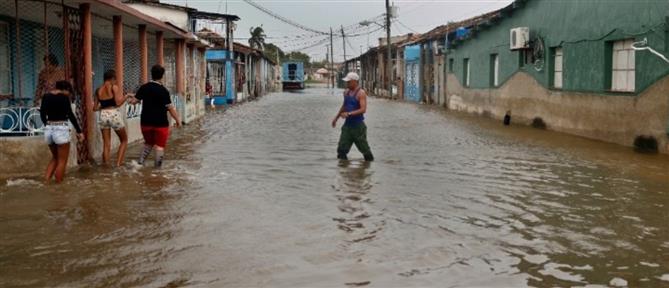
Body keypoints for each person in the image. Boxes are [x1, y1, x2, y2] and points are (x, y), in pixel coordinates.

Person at [128, 65, 181, 168]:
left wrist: (129, 97)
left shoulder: (144, 87)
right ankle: (157, 170)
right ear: (162, 76)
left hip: (146, 123)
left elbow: (133, 101)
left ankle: (139, 164)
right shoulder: (164, 91)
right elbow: (170, 108)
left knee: (148, 143)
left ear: (151, 74)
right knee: (160, 146)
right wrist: (178, 120)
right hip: (161, 124)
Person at [40, 80, 84, 183]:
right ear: (66, 89)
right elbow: (70, 115)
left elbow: (42, 114)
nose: (69, 94)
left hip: (48, 129)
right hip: (61, 129)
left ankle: (46, 182)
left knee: (55, 158)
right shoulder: (64, 98)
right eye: (69, 91)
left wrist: (48, 125)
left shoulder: (46, 96)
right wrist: (79, 131)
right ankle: (59, 187)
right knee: (62, 161)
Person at [331, 72, 374, 162]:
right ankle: (344, 172)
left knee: (365, 150)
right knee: (341, 150)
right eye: (347, 82)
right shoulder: (346, 92)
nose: (347, 84)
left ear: (355, 81)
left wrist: (349, 114)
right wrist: (336, 118)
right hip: (347, 126)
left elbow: (363, 109)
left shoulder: (361, 93)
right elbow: (344, 106)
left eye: (349, 82)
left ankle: (368, 168)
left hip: (358, 127)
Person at [94, 70, 129, 167]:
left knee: (106, 144)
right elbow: (118, 103)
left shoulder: (97, 90)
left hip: (103, 115)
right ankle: (118, 164)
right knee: (124, 140)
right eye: (115, 79)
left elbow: (94, 108)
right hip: (114, 115)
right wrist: (126, 96)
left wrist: (103, 107)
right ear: (112, 79)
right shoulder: (114, 87)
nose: (116, 82)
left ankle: (106, 167)